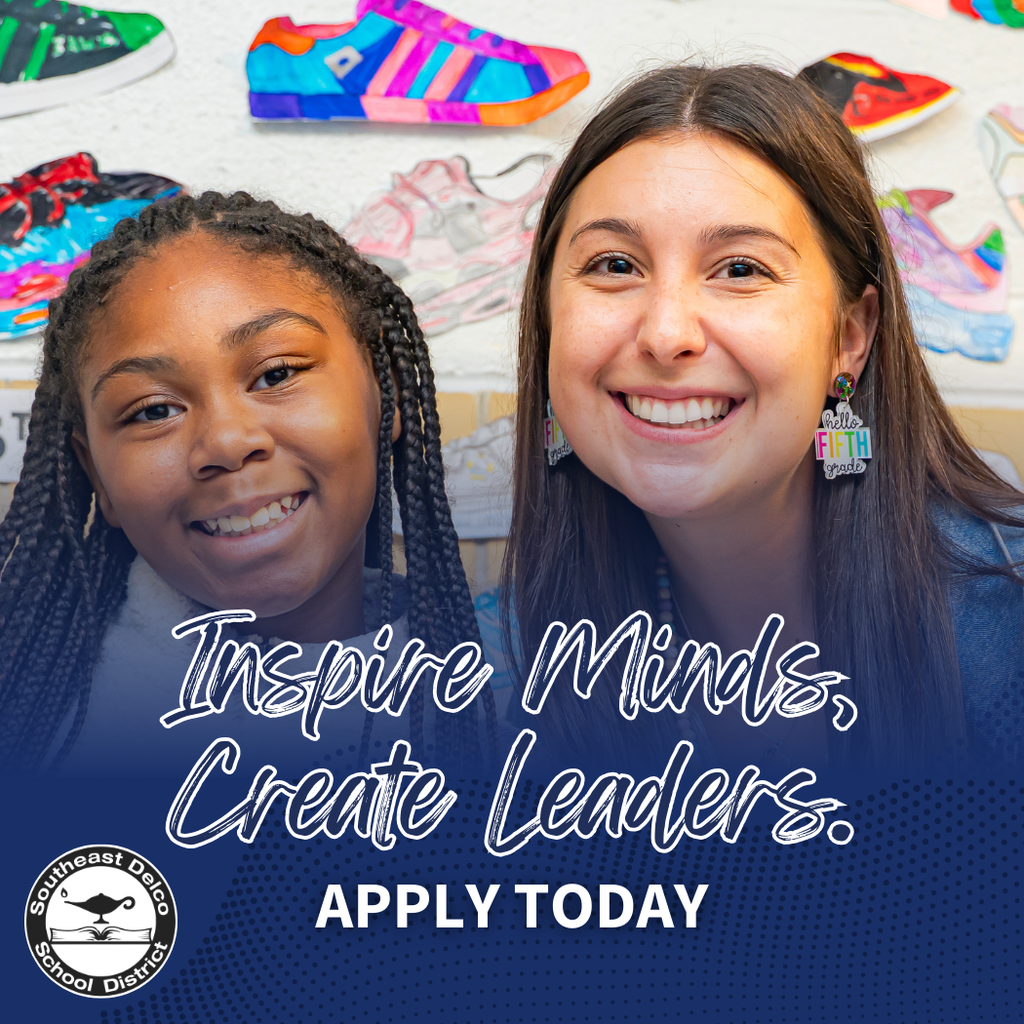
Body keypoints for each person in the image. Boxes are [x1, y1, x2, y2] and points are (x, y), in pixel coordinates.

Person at [501, 63, 1024, 780]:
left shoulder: (1008, 616)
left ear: (851, 336)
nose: (665, 333)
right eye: (615, 264)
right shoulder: (503, 660)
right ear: (549, 323)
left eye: (741, 269)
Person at [0, 190, 498, 776]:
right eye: (153, 410)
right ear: (97, 479)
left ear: (383, 394)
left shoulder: (522, 695)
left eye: (277, 373)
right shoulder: (35, 708)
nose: (228, 443)